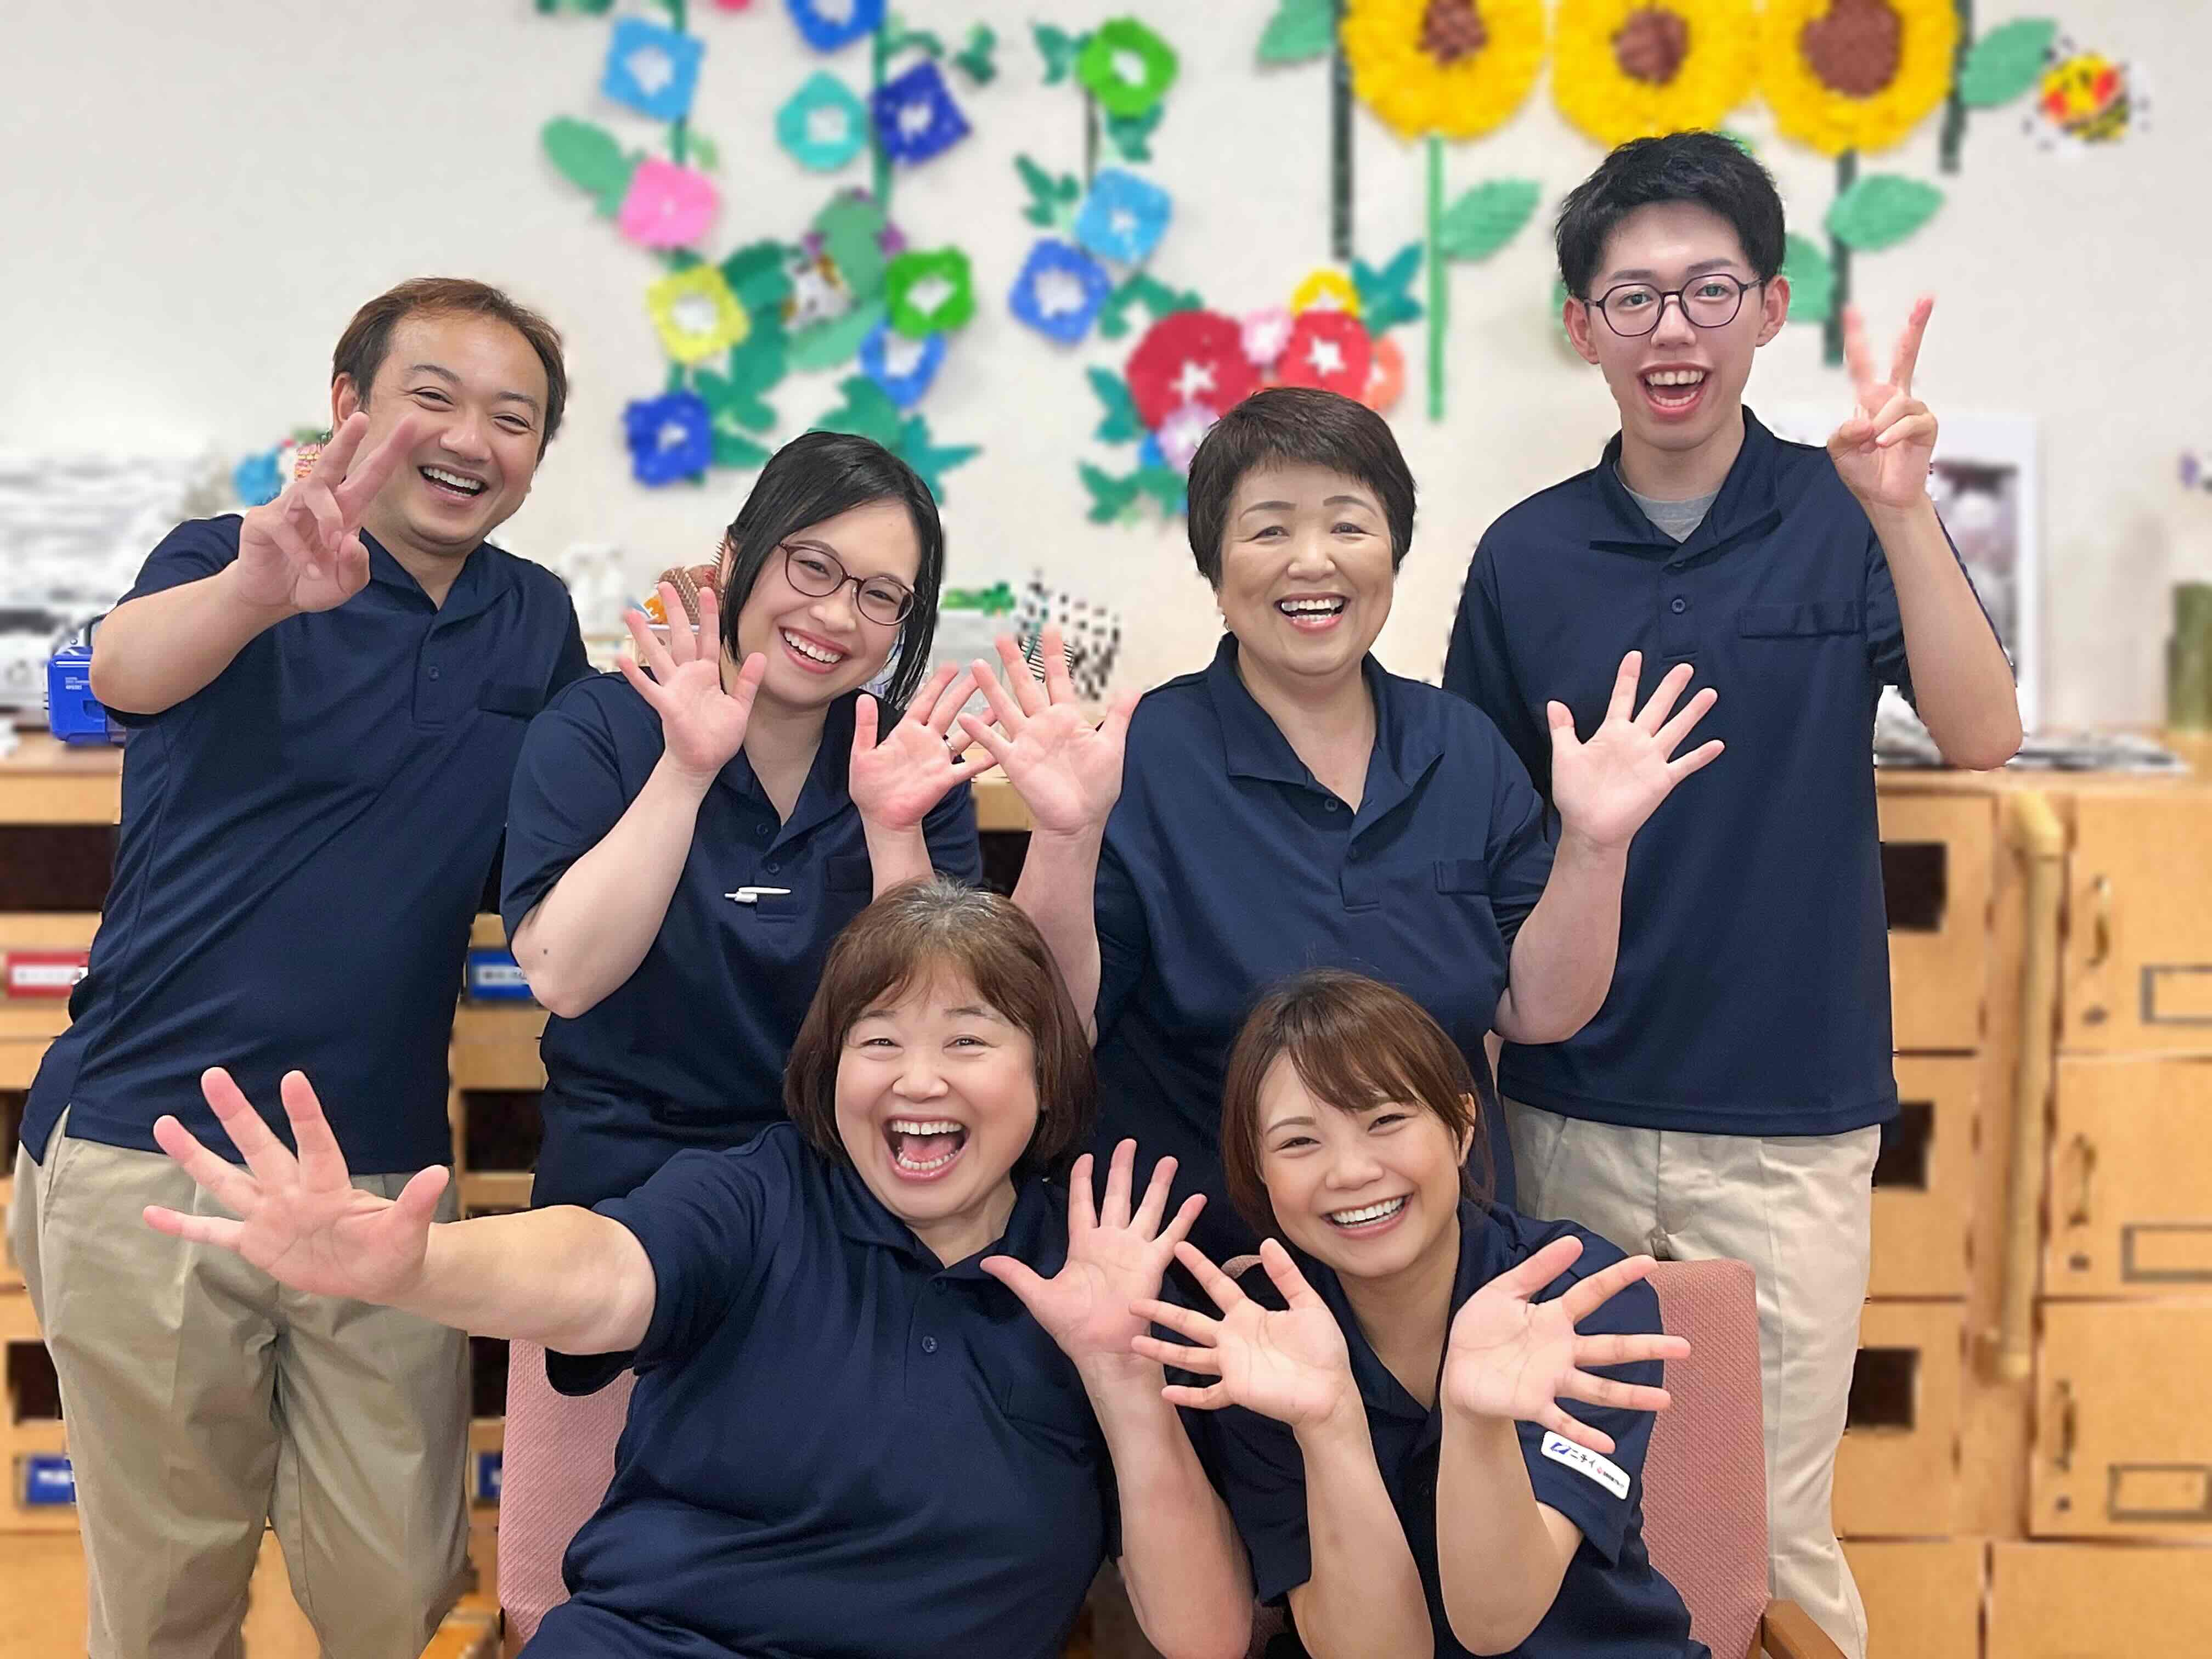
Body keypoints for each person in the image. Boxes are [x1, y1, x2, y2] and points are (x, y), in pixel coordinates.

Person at [1441, 132, 2022, 1657]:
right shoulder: (1523, 558)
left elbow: (1983, 734)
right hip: (1569, 1110)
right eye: (1633, 298)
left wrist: (1905, 509)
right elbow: (1479, 844)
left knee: (1769, 1532)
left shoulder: (1848, 511)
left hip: (1787, 1121)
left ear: (1769, 307)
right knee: (1577, 1512)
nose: (1673, 330)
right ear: (1583, 329)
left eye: (1709, 290)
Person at [142, 880, 1254, 1659]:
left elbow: (1204, 1636)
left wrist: (1122, 1381)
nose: (918, 1080)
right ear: (829, 1071)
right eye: (878, 1040)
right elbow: (599, 1270)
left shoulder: (1100, 1273)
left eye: (968, 1039)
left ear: (1047, 1077)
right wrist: (415, 1265)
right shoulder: (761, 1194)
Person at [9, 278, 589, 1658]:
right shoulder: (226, 556)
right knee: (169, 1601)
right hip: (154, 1157)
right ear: (349, 407)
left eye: (514, 417)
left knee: (398, 1585)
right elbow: (120, 673)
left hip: (377, 1172)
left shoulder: (536, 621)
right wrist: (252, 593)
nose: (472, 439)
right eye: (434, 397)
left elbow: (556, 850)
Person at [964, 385, 1723, 1266]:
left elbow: (1536, 1008)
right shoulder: (1145, 756)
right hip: (1201, 1275)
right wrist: (1064, 837)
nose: (1312, 561)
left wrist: (1595, 848)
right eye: (1270, 530)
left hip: (1434, 1275)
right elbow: (1056, 1027)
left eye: (1348, 525)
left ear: (1393, 551)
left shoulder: (1462, 748)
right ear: (1216, 570)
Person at [493, 431, 984, 1637]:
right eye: (812, 567)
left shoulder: (906, 764)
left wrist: (892, 828)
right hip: (622, 1199)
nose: (836, 614)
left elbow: (937, 1038)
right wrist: (685, 769)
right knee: (563, 1591)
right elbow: (562, 974)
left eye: (882, 595)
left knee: (815, 1591)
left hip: (838, 1215)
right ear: (738, 556)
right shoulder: (598, 730)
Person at [1136, 969, 1706, 1659]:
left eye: (1385, 1121)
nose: (1350, 1172)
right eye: (1299, 1143)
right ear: (1259, 1170)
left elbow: (1496, 1621)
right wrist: (1328, 1425)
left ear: (1461, 1127)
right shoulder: (1258, 1343)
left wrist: (1475, 1422)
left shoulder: (1575, 1297)